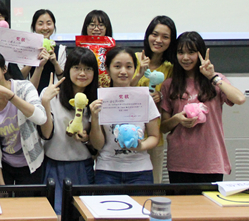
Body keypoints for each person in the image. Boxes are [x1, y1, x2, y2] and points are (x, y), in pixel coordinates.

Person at [160, 31, 245, 184]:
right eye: (180, 52)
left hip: (211, 161)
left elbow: (240, 99)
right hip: (180, 162)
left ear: (200, 53)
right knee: (181, 201)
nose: (185, 57)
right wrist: (177, 119)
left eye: (191, 52)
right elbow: (163, 127)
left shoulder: (216, 80)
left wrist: (212, 77)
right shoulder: (169, 85)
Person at [40, 47, 98, 215]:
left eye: (88, 69)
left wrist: (86, 138)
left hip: (83, 166)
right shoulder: (52, 94)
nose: (82, 73)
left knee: (83, 214)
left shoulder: (95, 99)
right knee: (56, 214)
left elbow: (97, 145)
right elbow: (46, 134)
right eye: (77, 68)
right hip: (54, 165)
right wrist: (45, 102)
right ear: (68, 69)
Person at [0, 50, 47, 185]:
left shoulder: (24, 87)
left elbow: (41, 118)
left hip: (32, 162)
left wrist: (11, 96)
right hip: (4, 165)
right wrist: (1, 185)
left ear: (4, 69)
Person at [90, 47, 159, 185]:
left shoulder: (144, 97)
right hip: (107, 170)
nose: (123, 71)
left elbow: (154, 136)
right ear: (107, 69)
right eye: (117, 66)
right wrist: (95, 118)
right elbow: (98, 145)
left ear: (134, 69)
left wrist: (141, 146)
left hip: (141, 171)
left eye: (128, 66)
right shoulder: (100, 100)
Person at [130, 15, 177, 183]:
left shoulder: (171, 67)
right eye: (155, 34)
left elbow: (173, 98)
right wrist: (139, 74)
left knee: (154, 183)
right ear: (148, 35)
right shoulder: (133, 59)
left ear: (171, 41)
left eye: (165, 37)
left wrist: (161, 97)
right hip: (128, 133)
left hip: (154, 135)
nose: (158, 40)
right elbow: (120, 91)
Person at [21, 9, 66, 92]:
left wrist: (55, 63)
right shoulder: (25, 49)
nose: (45, 28)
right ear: (34, 26)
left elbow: (64, 80)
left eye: (49, 23)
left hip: (54, 96)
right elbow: (19, 78)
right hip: (29, 95)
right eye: (40, 24)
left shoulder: (60, 50)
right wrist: (32, 60)